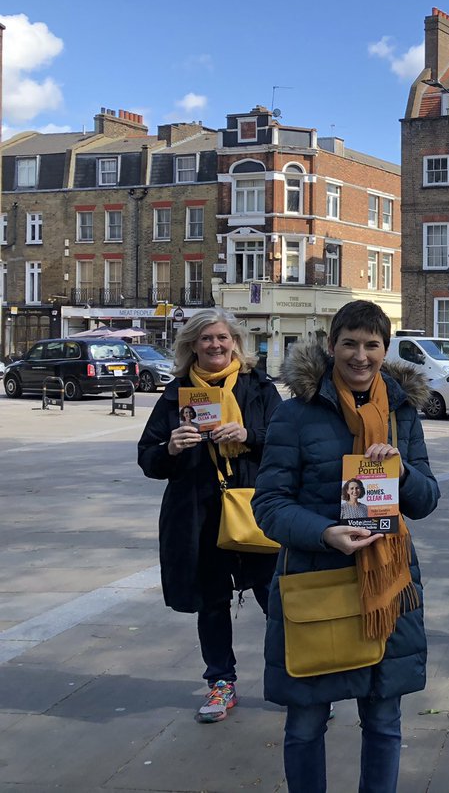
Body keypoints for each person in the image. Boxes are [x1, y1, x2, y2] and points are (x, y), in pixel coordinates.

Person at [253, 300, 440, 793]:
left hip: (388, 588)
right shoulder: (294, 415)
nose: (361, 356)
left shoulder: (403, 414)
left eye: (372, 345)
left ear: (385, 350)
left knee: (383, 721)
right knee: (306, 724)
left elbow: (426, 500)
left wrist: (402, 472)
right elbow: (269, 504)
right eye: (350, 344)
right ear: (331, 346)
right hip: (316, 583)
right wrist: (324, 532)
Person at [137, 308, 281, 723]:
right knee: (212, 603)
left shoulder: (259, 387)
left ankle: (297, 681)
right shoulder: (175, 393)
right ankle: (221, 682)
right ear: (192, 346)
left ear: (235, 341)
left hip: (255, 509)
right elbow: (147, 458)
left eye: (222, 338)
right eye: (206, 339)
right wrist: (171, 449)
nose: (215, 345)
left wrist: (249, 436)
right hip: (199, 515)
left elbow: (288, 444)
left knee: (276, 599)